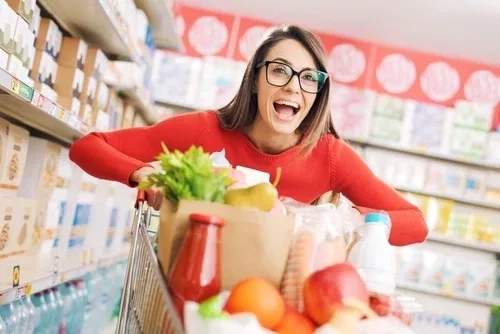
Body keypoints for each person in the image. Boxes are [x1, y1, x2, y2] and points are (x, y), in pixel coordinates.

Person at [69, 24, 428, 246]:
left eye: (308, 78)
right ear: (255, 80)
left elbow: (415, 223)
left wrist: (346, 219)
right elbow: (88, 146)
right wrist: (146, 175)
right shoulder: (206, 131)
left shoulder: (330, 156)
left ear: (318, 92)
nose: (293, 87)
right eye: (280, 70)